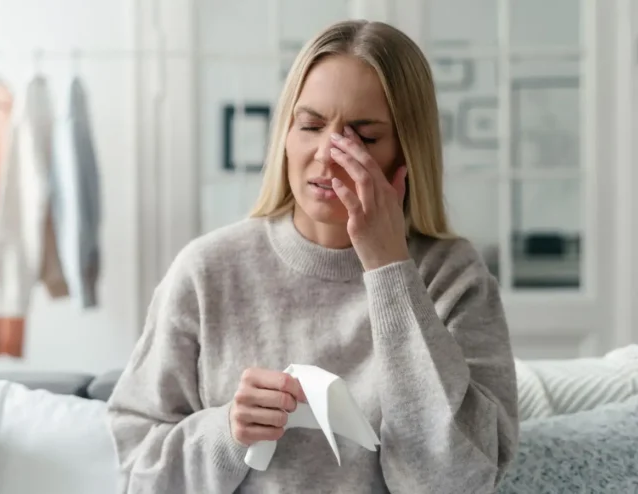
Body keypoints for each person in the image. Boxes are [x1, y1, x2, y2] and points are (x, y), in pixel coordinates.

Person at [107, 19, 519, 494]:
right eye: (311, 125)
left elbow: (458, 482)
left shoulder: (453, 277)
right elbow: (137, 471)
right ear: (286, 133)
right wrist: (226, 434)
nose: (328, 155)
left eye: (363, 137)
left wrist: (389, 269)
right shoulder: (206, 272)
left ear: (407, 150)